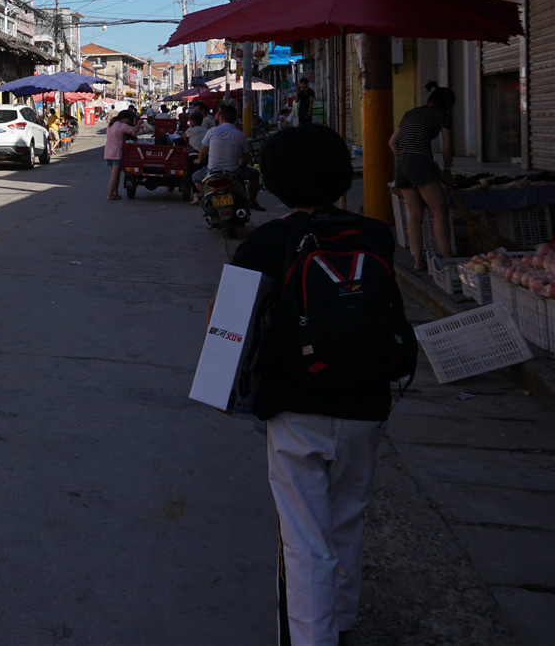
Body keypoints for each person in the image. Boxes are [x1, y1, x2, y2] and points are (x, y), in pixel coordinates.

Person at [230, 125, 412, 646]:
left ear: (275, 182)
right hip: (368, 402)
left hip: (295, 407)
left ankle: (314, 637)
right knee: (347, 517)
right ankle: (345, 616)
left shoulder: (267, 241)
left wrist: (222, 391)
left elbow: (228, 329)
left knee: (304, 535)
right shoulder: (376, 235)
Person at [389, 82, 456, 273]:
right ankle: (447, 261)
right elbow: (448, 148)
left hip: (402, 164)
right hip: (420, 163)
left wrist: (404, 158)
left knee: (415, 215)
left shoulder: (410, 113)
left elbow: (391, 142)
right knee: (439, 212)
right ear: (447, 103)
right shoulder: (442, 115)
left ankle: (418, 262)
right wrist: (448, 170)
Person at [194, 103, 262, 208]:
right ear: (235, 119)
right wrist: (242, 166)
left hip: (212, 171)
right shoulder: (241, 135)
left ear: (221, 118)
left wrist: (199, 160)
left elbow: (202, 152)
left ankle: (208, 197)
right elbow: (246, 157)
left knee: (195, 177)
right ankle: (252, 201)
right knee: (255, 174)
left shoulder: (212, 131)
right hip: (234, 171)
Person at [104, 108, 138, 200]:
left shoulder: (111, 124)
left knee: (116, 174)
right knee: (115, 174)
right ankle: (110, 194)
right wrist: (139, 124)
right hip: (116, 153)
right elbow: (134, 131)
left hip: (108, 152)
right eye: (128, 119)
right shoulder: (122, 126)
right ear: (124, 118)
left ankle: (115, 193)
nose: (128, 122)